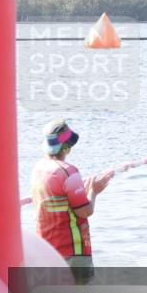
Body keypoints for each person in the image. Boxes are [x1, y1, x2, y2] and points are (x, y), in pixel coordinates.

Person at [31, 120, 112, 284]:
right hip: (73, 253)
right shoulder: (69, 172)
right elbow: (85, 211)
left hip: (46, 250)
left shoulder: (38, 170)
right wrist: (93, 191)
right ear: (66, 147)